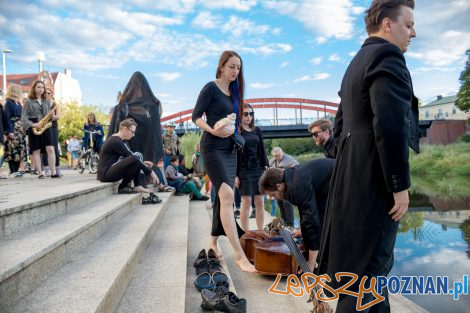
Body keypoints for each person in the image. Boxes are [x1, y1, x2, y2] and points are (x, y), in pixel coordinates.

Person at [317, 1, 420, 312]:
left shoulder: (357, 61)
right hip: (376, 181)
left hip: (350, 176)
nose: (413, 33)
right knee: (372, 274)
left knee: (357, 272)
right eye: (408, 24)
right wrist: (399, 185)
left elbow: (338, 126)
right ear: (387, 25)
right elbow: (389, 124)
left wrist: (348, 159)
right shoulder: (387, 55)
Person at [192, 50, 256, 272]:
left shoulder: (235, 92)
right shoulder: (210, 87)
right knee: (228, 195)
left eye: (238, 67)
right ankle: (239, 256)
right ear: (221, 67)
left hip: (230, 150)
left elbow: (235, 123)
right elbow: (196, 116)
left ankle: (212, 242)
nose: (235, 71)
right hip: (212, 146)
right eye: (231, 66)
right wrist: (212, 130)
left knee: (223, 198)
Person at [259, 158, 335, 271]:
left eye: (273, 195)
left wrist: (311, 262)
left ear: (279, 186)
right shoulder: (290, 175)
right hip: (330, 181)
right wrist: (301, 230)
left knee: (325, 224)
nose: (274, 198)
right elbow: (306, 212)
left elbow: (311, 222)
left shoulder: (295, 187)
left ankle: (321, 261)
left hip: (344, 178)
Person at [108, 72, 163, 164]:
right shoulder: (152, 107)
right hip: (148, 152)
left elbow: (115, 130)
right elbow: (156, 130)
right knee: (144, 173)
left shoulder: (121, 107)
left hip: (128, 151)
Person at [97, 118, 159, 194]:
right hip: (105, 174)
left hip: (111, 170)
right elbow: (132, 157)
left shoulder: (121, 141)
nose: (133, 135)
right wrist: (151, 172)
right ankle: (124, 186)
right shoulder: (115, 141)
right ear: (125, 129)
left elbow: (131, 157)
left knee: (137, 156)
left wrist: (143, 162)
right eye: (132, 132)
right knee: (135, 158)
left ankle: (137, 185)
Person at [235, 103, 269, 231]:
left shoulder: (257, 130)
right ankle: (246, 233)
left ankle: (260, 231)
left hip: (258, 169)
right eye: (246, 114)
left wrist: (266, 166)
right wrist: (235, 175)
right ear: (240, 115)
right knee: (247, 203)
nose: (249, 117)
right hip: (244, 170)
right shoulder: (237, 131)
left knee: (260, 203)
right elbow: (235, 154)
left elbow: (262, 150)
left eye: (251, 114)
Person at [20, 80, 59, 179]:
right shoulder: (28, 101)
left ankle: (53, 172)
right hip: (34, 126)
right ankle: (40, 172)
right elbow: (23, 118)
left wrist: (51, 115)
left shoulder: (47, 101)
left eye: (42, 87)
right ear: (34, 88)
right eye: (38, 87)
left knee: (50, 148)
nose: (41, 89)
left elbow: (48, 116)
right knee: (36, 150)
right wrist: (33, 124)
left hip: (46, 125)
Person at [268, 147, 298, 227]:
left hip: (287, 185)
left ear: (282, 153)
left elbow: (297, 167)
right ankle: (284, 223)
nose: (277, 158)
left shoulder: (289, 159)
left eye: (278, 155)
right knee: (280, 203)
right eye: (275, 156)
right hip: (278, 187)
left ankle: (290, 225)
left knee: (287, 204)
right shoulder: (272, 161)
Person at [3, 84, 26, 176]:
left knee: (19, 150)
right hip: (13, 128)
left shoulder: (18, 103)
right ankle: (13, 171)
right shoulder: (9, 103)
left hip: (20, 129)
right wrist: (9, 131)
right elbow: (7, 117)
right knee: (12, 150)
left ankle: (16, 171)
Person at [44, 87, 62, 176]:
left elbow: (58, 116)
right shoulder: (42, 103)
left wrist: (52, 116)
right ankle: (46, 168)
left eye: (49, 93)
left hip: (53, 126)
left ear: (52, 95)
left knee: (55, 148)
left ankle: (57, 168)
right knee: (45, 148)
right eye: (46, 93)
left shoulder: (55, 105)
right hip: (44, 126)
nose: (47, 95)